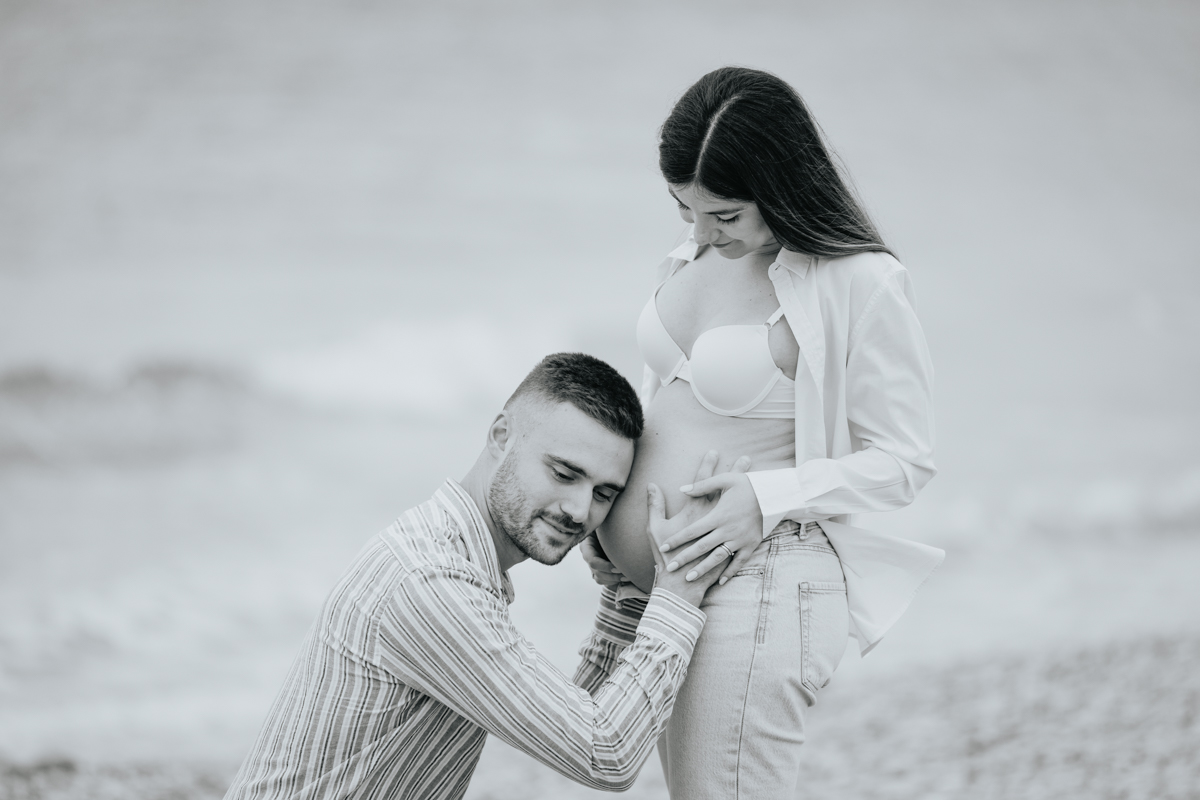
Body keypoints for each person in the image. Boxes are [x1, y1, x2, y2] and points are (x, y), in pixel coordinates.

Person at [579, 67, 946, 799]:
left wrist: (766, 497)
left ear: (780, 187)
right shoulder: (692, 254)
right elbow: (674, 404)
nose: (702, 233)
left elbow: (906, 461)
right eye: (685, 208)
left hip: (765, 581)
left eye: (724, 215)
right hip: (662, 593)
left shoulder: (860, 282)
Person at [224, 352, 743, 800]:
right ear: (500, 436)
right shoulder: (430, 585)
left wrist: (623, 594)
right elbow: (606, 752)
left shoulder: (458, 561)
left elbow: (570, 723)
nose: (580, 510)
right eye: (564, 474)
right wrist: (676, 597)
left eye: (604, 494)